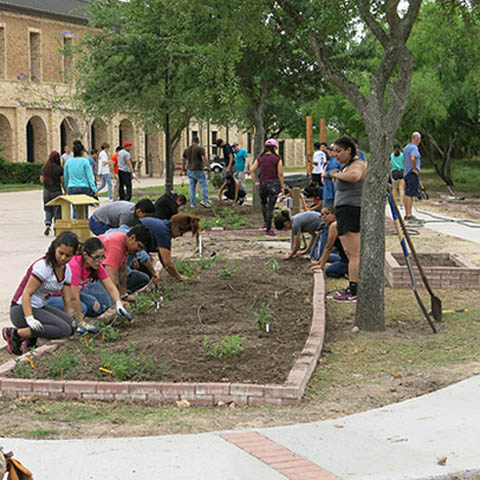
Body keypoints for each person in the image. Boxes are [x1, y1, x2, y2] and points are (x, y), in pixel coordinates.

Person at [2, 232, 79, 356]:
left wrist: (67, 318)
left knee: (72, 326)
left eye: (68, 255)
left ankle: (31, 339)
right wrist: (29, 318)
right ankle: (15, 334)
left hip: (38, 307)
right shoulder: (44, 266)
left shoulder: (67, 270)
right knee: (64, 329)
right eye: (61, 253)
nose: (63, 258)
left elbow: (67, 299)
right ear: (54, 248)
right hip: (21, 309)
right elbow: (26, 294)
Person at [46, 237, 131, 333]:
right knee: (82, 308)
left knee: (95, 306)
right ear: (85, 255)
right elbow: (73, 298)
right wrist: (81, 322)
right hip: (53, 297)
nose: (100, 261)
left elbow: (111, 287)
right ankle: (59, 317)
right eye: (96, 257)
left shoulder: (96, 266)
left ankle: (76, 315)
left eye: (102, 257)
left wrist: (118, 303)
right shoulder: (74, 265)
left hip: (73, 294)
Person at [329, 136, 367, 302]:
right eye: (334, 151)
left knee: (354, 254)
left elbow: (355, 177)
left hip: (350, 212)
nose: (335, 154)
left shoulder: (357, 164)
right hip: (347, 211)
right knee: (352, 253)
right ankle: (354, 287)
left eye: (338, 151)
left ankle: (354, 291)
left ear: (349, 150)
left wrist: (336, 174)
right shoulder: (349, 165)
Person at [87, 225, 154, 306]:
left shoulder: (123, 240)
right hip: (86, 275)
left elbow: (122, 272)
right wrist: (117, 300)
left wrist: (124, 295)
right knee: (108, 303)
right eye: (139, 246)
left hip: (95, 272)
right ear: (132, 238)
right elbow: (110, 273)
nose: (138, 251)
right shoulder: (116, 245)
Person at [141, 213, 200, 282]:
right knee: (145, 277)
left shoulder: (163, 225)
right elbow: (167, 262)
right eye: (181, 233)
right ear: (176, 227)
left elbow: (162, 257)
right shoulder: (164, 233)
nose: (180, 236)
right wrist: (179, 277)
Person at [249, 138, 285, 237]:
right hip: (273, 184)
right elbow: (280, 174)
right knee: (271, 207)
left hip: (263, 184)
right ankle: (269, 230)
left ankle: (265, 223)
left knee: (263, 204)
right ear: (274, 147)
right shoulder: (277, 159)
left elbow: (251, 170)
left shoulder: (260, 158)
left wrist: (255, 181)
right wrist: (282, 186)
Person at [310, 206, 349, 278]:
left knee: (330, 271)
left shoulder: (334, 225)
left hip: (348, 260)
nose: (324, 217)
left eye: (327, 214)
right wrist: (319, 262)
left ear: (334, 214)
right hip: (345, 258)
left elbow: (328, 247)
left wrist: (321, 265)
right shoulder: (340, 223)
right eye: (322, 215)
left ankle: (348, 273)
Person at [64, 140, 98, 217]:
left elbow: (65, 176)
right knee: (84, 208)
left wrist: (66, 188)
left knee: (75, 208)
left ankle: (75, 225)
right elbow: (90, 177)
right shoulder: (85, 161)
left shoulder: (68, 162)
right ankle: (84, 225)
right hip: (84, 187)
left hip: (72, 187)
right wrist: (94, 189)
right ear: (82, 152)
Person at [89, 198, 155, 235]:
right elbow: (121, 233)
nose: (147, 219)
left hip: (110, 221)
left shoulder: (135, 210)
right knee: (112, 240)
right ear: (138, 211)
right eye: (146, 216)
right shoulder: (127, 215)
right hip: (97, 222)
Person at [40, 151, 65, 236]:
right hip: (57, 191)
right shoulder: (59, 169)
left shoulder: (45, 168)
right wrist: (65, 190)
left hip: (47, 191)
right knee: (57, 210)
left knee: (48, 209)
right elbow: (62, 180)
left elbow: (41, 179)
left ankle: (48, 224)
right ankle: (56, 228)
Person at [182, 137, 211, 208]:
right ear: (198, 141)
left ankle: (192, 203)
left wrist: (183, 168)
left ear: (192, 141)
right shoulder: (200, 148)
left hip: (190, 170)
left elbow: (183, 158)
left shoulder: (187, 149)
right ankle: (205, 201)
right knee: (204, 184)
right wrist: (208, 166)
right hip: (198, 169)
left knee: (192, 187)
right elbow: (203, 158)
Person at [403, 132, 422, 222]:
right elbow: (413, 158)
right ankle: (409, 214)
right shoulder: (414, 148)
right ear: (417, 139)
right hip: (411, 173)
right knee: (410, 194)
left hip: (406, 173)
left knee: (407, 193)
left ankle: (407, 213)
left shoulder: (406, 147)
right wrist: (414, 168)